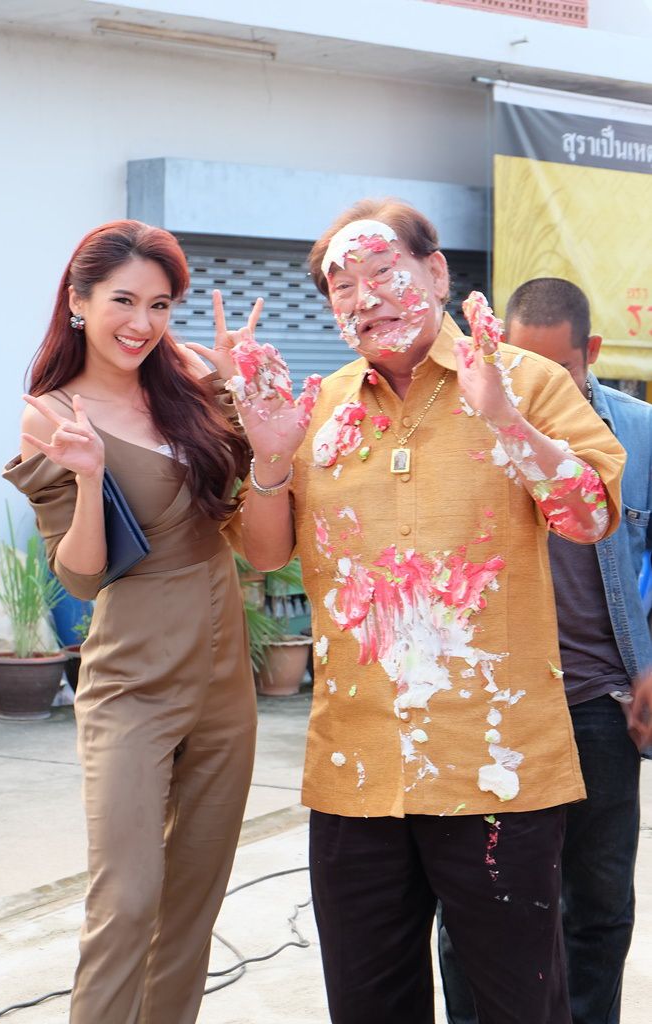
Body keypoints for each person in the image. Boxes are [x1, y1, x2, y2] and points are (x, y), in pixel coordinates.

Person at [229, 199, 626, 1024]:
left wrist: (503, 418)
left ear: (436, 272)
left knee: (518, 1005)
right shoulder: (317, 409)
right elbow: (264, 555)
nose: (366, 297)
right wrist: (268, 457)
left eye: (384, 272)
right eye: (343, 287)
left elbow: (588, 517)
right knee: (367, 1003)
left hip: (496, 768)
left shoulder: (523, 380)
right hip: (356, 768)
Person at [3, 220, 257, 1023]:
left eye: (160, 304)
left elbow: (247, 500)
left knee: (193, 901)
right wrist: (87, 479)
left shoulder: (189, 383)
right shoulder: (52, 413)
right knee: (128, 899)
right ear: (78, 302)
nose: (141, 323)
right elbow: (79, 574)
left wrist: (238, 388)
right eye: (123, 300)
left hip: (224, 670)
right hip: (133, 678)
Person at [438, 277, 652, 1024]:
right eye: (515, 366)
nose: (531, 387)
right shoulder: (463, 421)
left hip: (598, 701)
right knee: (475, 904)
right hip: (490, 707)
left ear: (591, 352)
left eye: (555, 369)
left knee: (596, 904)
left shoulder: (638, 432)